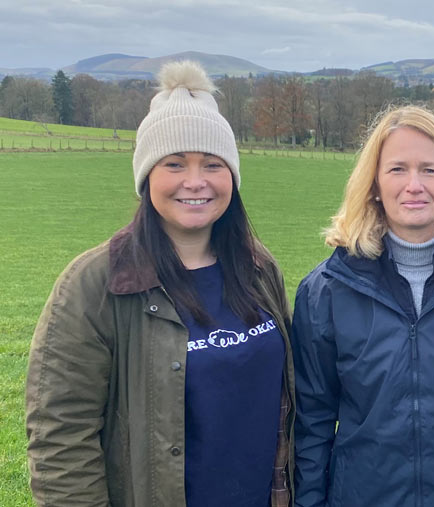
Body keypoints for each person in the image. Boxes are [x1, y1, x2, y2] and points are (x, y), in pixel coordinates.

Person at [25, 61, 294, 507]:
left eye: (212, 163)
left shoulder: (260, 269)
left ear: (232, 177)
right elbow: (60, 437)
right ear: (147, 176)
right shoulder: (94, 285)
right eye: (174, 163)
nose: (196, 181)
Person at [292, 105, 434, 506]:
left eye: (430, 170)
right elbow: (313, 421)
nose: (414, 185)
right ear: (375, 183)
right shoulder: (325, 292)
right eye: (397, 169)